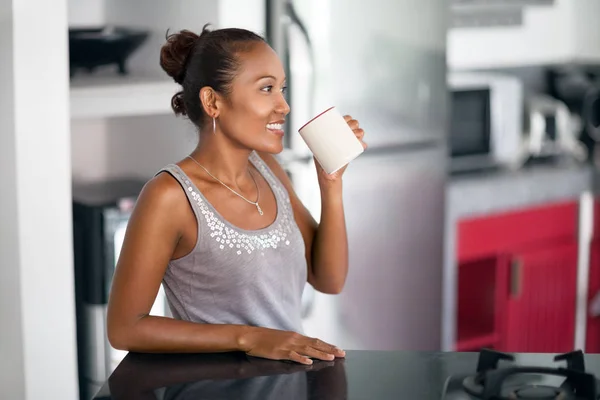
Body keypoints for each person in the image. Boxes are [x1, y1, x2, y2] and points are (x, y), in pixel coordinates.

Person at [106, 24, 367, 366]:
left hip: (286, 386)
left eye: (282, 89)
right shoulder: (169, 195)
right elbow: (125, 328)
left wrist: (330, 183)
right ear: (213, 101)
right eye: (267, 89)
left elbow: (329, 279)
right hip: (214, 388)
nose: (284, 106)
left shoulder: (268, 169)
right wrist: (249, 336)